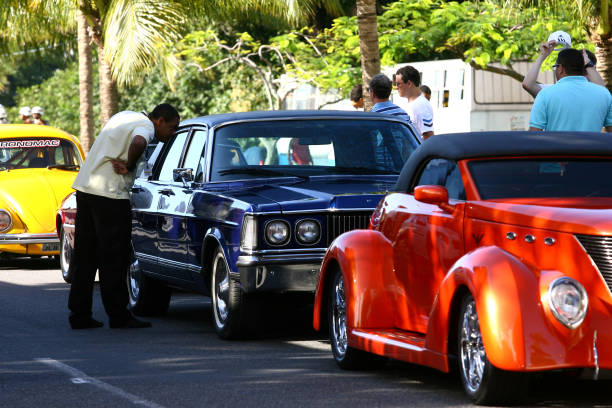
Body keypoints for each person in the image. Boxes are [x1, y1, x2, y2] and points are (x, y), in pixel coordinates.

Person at [68, 103, 180, 329]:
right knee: (114, 257)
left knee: (85, 254)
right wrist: (129, 166)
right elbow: (138, 143)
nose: (172, 134)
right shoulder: (146, 128)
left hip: (86, 189)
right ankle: (118, 315)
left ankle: (79, 314)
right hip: (110, 195)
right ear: (159, 121)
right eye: (172, 128)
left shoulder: (123, 116)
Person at [529, 48, 612, 132]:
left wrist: (542, 55)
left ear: (560, 68)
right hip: (593, 145)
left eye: (556, 67)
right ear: (585, 68)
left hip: (555, 145)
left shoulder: (545, 94)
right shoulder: (604, 94)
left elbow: (534, 133)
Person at [522, 31, 604, 98]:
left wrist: (542, 56)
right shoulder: (594, 93)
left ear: (561, 69)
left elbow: (527, 84)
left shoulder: (550, 93)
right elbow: (527, 85)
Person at [394, 66, 434, 140]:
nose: (396, 87)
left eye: (398, 84)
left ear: (409, 83)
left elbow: (428, 136)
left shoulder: (420, 105)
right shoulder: (415, 103)